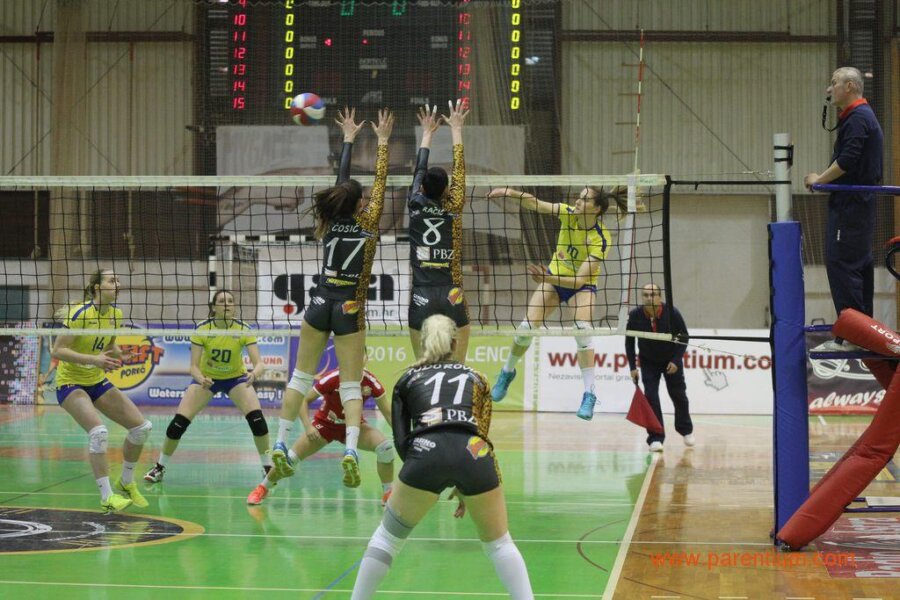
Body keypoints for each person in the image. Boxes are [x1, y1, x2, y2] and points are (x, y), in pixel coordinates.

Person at [350, 315, 533, 599]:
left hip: (425, 452)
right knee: (500, 544)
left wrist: (424, 474)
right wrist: (465, 482)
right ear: (456, 343)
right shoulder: (478, 378)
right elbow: (481, 435)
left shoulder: (407, 379)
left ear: (423, 343)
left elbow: (401, 441)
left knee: (386, 539)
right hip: (473, 452)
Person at [277, 107, 393, 488]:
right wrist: (382, 142)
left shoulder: (328, 221)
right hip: (348, 306)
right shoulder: (368, 221)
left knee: (300, 377)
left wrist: (347, 139)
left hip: (319, 301)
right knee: (351, 383)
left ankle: (279, 442)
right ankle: (351, 450)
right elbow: (380, 181)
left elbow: (341, 183)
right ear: (361, 204)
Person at [487, 186, 623, 419]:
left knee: (582, 331)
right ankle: (507, 372)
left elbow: (579, 280)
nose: (577, 202)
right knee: (525, 329)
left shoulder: (600, 238)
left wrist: (546, 278)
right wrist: (509, 192)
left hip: (581, 286)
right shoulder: (568, 214)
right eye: (579, 197)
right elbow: (535, 203)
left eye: (585, 200)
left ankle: (589, 393)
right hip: (554, 279)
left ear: (597, 209)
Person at [51, 269, 152, 512]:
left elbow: (109, 345)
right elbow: (57, 350)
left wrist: (121, 355)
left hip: (96, 381)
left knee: (141, 429)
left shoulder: (116, 314)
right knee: (99, 433)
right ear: (97, 287)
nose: (118, 284)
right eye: (111, 280)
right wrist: (94, 360)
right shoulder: (80, 314)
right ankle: (107, 496)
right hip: (70, 383)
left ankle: (126, 481)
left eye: (118, 280)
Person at [143, 290, 269, 483]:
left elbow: (259, 364)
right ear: (214, 307)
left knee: (258, 421)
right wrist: (201, 379)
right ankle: (159, 467)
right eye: (222, 301)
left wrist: (254, 374)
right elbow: (193, 367)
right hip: (207, 380)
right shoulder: (203, 329)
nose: (227, 304)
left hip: (236, 379)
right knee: (177, 424)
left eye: (230, 301)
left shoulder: (243, 329)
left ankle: (268, 467)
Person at [804, 66, 883, 352]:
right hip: (856, 204)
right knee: (857, 266)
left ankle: (855, 335)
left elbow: (847, 160)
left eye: (834, 82)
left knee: (842, 263)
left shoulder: (859, 118)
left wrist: (818, 180)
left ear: (849, 86)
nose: (829, 88)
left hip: (851, 205)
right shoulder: (859, 117)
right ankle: (862, 333)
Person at [248, 365, 394, 506]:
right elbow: (304, 400)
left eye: (361, 355)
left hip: (354, 427)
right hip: (325, 426)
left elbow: (388, 413)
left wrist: (402, 436)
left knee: (385, 448)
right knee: (290, 459)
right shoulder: (333, 377)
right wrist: (308, 427)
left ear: (366, 358)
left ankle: (388, 493)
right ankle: (263, 488)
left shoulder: (370, 381)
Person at [407, 100, 470, 363]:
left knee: (420, 365)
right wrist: (456, 128)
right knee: (459, 365)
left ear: (422, 188)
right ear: (447, 189)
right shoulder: (454, 205)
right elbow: (459, 168)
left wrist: (427, 134)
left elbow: (419, 170)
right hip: (451, 292)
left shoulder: (414, 204)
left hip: (421, 292)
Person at [624, 283, 694, 452]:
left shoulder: (672, 312)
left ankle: (685, 430)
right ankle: (656, 437)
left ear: (659, 297)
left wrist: (676, 360)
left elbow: (684, 336)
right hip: (648, 361)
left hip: (671, 360)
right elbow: (629, 342)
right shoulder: (635, 315)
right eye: (646, 295)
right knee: (651, 396)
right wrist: (632, 366)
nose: (649, 298)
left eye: (653, 294)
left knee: (679, 395)